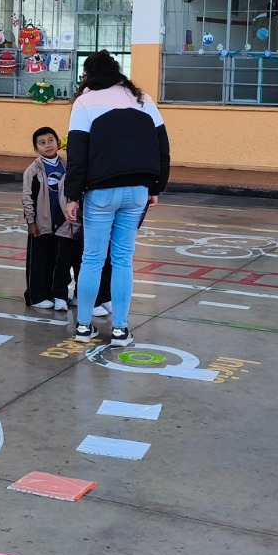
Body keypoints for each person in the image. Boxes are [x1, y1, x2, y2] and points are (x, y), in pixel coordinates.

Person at [64, 50, 170, 347]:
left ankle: (84, 326)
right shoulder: (142, 99)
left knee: (92, 258)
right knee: (123, 259)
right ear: (117, 71)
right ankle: (121, 329)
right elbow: (162, 146)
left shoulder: (84, 102)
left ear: (88, 74)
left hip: (100, 190)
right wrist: (156, 187)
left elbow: (77, 154)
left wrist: (72, 195)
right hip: (137, 189)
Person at [22, 126, 76, 311]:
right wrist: (31, 222)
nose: (47, 145)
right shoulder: (33, 170)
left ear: (58, 143)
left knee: (58, 261)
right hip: (41, 224)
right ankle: (36, 296)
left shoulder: (66, 165)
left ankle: (55, 294)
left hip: (63, 224)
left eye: (51, 140)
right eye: (42, 143)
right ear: (36, 149)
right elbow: (27, 197)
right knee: (39, 261)